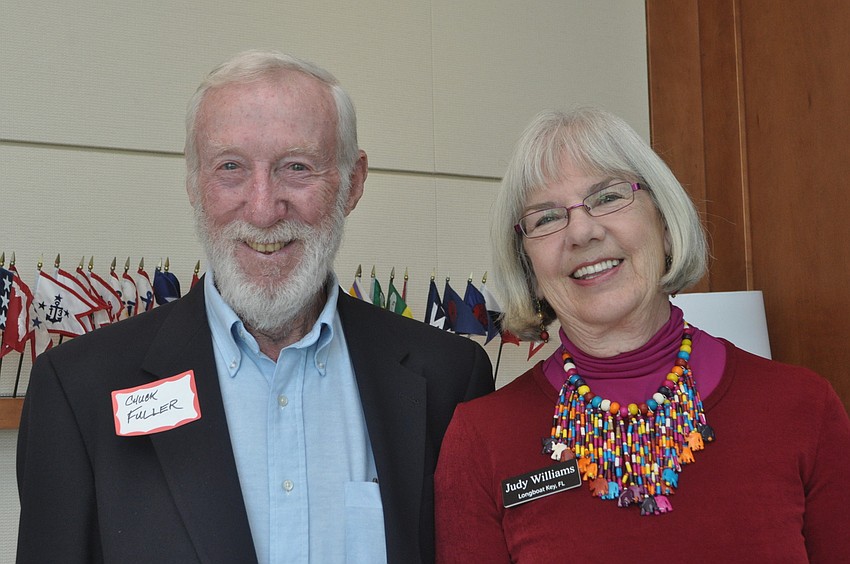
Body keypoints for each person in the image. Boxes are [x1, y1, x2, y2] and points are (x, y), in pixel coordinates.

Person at [16, 50, 494, 564]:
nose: (264, 208)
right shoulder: (79, 391)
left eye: (296, 167)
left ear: (353, 182)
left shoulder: (448, 380)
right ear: (193, 182)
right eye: (231, 168)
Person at [434, 107, 850, 562]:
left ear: (666, 226)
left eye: (609, 197)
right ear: (529, 269)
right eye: (546, 218)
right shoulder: (480, 440)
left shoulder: (804, 407)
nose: (582, 232)